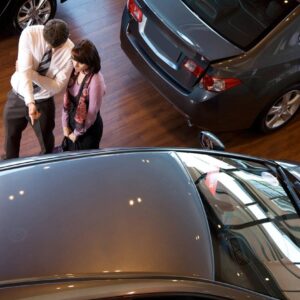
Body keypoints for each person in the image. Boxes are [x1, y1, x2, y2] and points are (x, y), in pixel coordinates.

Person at [3, 19, 74, 159]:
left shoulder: (70, 52)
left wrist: (33, 74)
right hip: (18, 94)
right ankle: (10, 165)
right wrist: (30, 103)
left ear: (67, 36)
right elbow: (24, 73)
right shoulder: (29, 34)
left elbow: (57, 86)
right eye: (48, 43)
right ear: (43, 31)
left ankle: (44, 166)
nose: (51, 48)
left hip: (44, 101)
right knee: (10, 137)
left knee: (46, 141)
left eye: (56, 47)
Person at [62, 39, 106, 151]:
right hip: (73, 122)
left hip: (87, 130)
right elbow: (66, 101)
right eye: (74, 59)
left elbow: (91, 115)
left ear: (90, 62)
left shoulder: (96, 81)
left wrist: (76, 133)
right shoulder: (74, 71)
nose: (75, 64)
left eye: (80, 62)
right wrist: (64, 125)